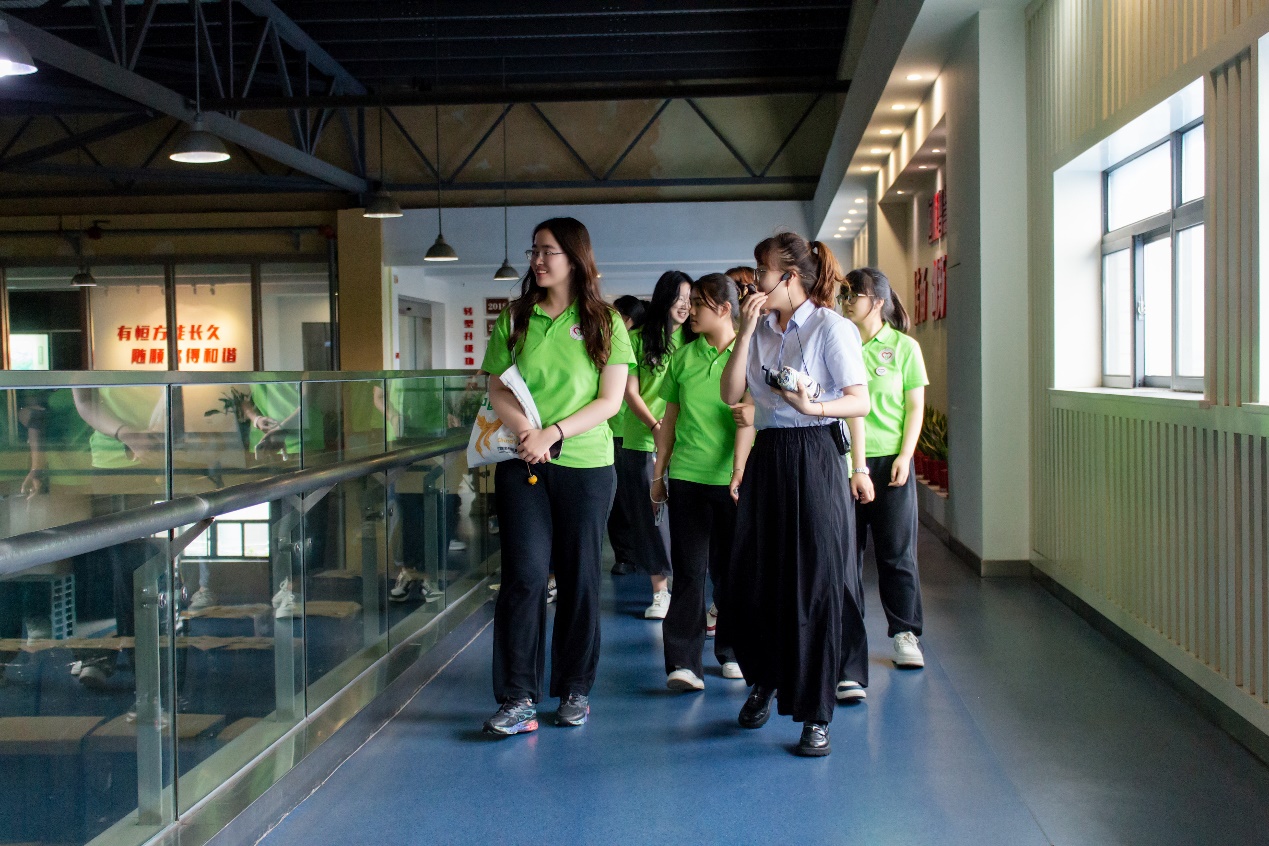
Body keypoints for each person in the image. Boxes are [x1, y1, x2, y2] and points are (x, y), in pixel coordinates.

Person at [719, 232, 871, 758]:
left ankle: (816, 713)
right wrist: (744, 331)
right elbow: (730, 394)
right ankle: (766, 678)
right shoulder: (759, 328)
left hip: (814, 453)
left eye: (763, 271)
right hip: (769, 455)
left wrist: (813, 408)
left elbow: (859, 401)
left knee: (816, 581)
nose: (755, 282)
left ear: (790, 277)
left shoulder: (831, 327)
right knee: (758, 576)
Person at [480, 217, 632, 736]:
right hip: (522, 462)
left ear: (575, 257)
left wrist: (554, 433)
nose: (538, 260)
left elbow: (610, 401)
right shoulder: (516, 317)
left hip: (586, 466)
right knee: (524, 576)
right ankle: (518, 697)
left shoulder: (606, 322)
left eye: (548, 251)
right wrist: (527, 430)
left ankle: (574, 689)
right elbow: (497, 388)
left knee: (579, 578)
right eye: (534, 251)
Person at [652, 273, 753, 691]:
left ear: (725, 309)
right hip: (688, 477)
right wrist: (659, 473)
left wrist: (740, 470)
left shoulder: (750, 353)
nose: (689, 310)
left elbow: (753, 418)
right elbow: (670, 420)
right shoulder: (682, 357)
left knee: (732, 573)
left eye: (698, 303)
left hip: (734, 481)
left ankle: (733, 651)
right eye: (689, 302)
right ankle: (683, 662)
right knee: (690, 572)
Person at [840, 267, 929, 671]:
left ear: (877, 301)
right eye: (843, 295)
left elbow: (915, 407)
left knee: (896, 553)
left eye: (852, 295)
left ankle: (905, 633)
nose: (845, 302)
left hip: (890, 464)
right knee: (847, 555)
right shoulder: (840, 343)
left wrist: (905, 456)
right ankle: (847, 635)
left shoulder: (905, 348)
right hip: (845, 463)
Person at [620, 271, 695, 619]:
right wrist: (654, 425)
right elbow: (629, 391)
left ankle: (685, 584)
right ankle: (659, 590)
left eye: (690, 299)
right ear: (664, 299)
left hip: (687, 443)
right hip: (642, 440)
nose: (685, 305)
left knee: (684, 518)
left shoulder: (695, 340)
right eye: (679, 298)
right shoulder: (637, 339)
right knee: (649, 518)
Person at [607, 295, 646, 576]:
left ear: (627, 319)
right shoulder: (642, 341)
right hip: (624, 430)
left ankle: (628, 555)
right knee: (629, 498)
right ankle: (631, 554)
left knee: (624, 499)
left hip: (623, 430)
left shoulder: (630, 341)